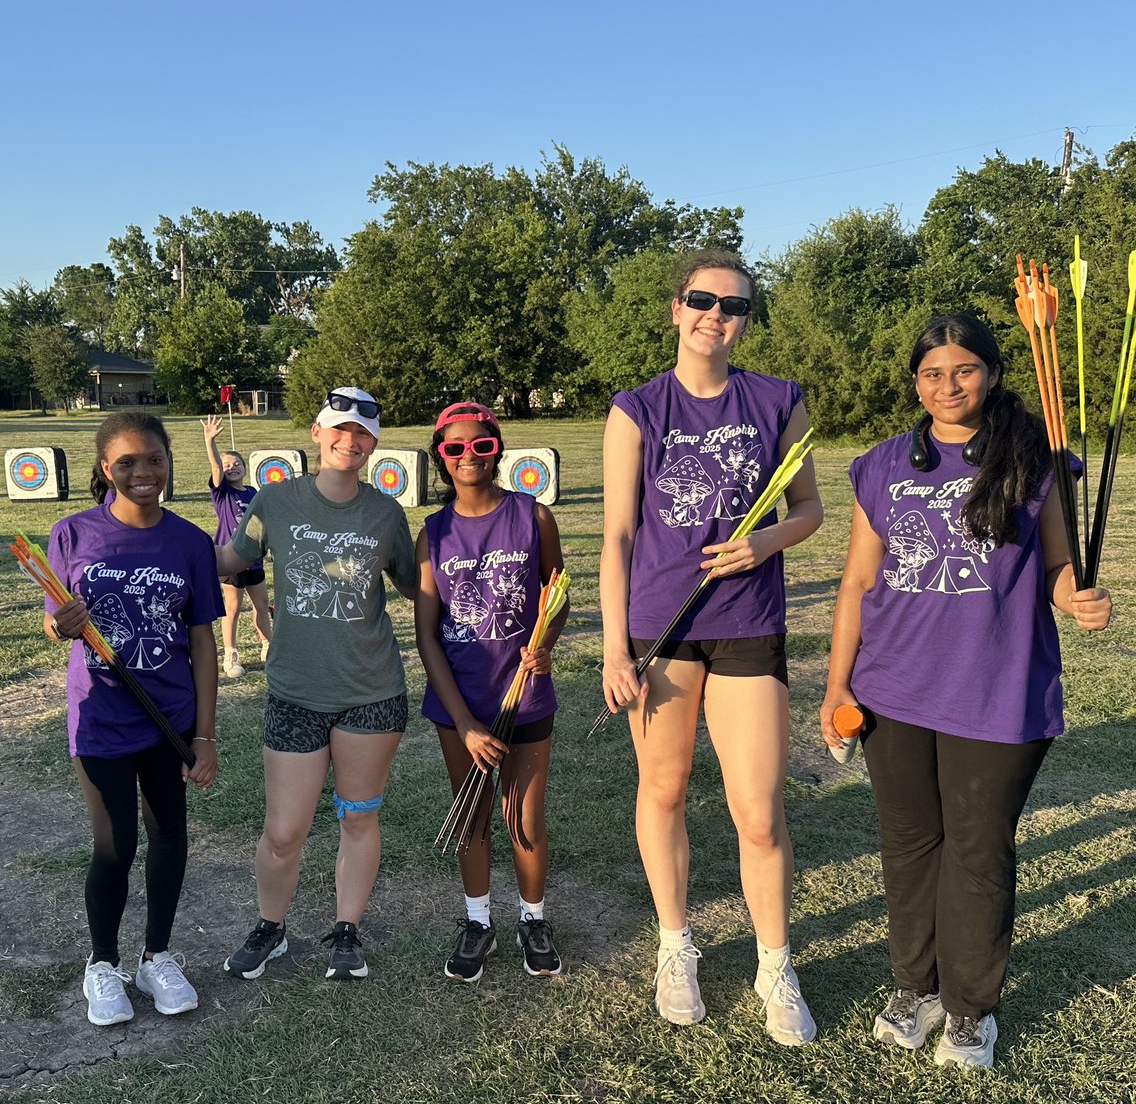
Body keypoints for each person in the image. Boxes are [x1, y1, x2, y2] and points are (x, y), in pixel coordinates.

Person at [819, 312, 1113, 1069]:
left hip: (996, 691)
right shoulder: (882, 465)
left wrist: (1076, 594)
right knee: (909, 847)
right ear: (915, 383)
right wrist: (836, 684)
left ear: (991, 372)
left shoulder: (1036, 460)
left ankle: (968, 1009)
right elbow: (857, 582)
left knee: (979, 852)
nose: (948, 386)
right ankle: (915, 988)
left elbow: (1056, 568)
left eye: (964, 370)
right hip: (892, 691)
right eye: (931, 374)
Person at [600, 249, 824, 1042]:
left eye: (734, 307)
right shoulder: (637, 407)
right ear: (676, 308)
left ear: (746, 321)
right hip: (661, 628)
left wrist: (763, 545)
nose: (716, 316)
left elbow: (809, 509)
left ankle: (775, 965)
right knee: (663, 790)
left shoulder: (776, 401)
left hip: (749, 623)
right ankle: (676, 947)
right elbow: (620, 533)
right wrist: (613, 649)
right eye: (703, 301)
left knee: (758, 812)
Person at [215, 387, 416, 982]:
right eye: (339, 429)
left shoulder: (386, 513)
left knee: (358, 818)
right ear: (316, 431)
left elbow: (414, 583)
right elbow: (232, 562)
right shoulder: (275, 501)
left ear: (375, 444)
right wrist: (163, 541)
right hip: (295, 692)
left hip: (371, 693)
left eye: (363, 434)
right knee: (284, 832)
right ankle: (271, 927)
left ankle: (347, 930)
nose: (349, 442)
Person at [44, 412, 223, 1026]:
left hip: (168, 719)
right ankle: (103, 964)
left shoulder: (191, 542)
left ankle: (157, 956)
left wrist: (204, 734)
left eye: (154, 459)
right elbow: (53, 617)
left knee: (170, 833)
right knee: (116, 844)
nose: (144, 472)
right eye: (127, 463)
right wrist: (60, 623)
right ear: (104, 469)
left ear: (170, 460)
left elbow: (202, 640)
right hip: (101, 721)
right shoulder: (70, 534)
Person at [415, 402, 569, 983]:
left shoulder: (535, 516)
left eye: (481, 445)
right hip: (462, 704)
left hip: (525, 695)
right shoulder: (433, 532)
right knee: (472, 816)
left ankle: (534, 918)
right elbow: (427, 635)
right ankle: (478, 920)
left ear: (497, 449)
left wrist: (546, 641)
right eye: (455, 449)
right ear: (441, 459)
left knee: (523, 818)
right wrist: (465, 722)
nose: (469, 456)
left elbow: (558, 597)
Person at [201, 414, 272, 677]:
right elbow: (217, 468)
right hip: (231, 558)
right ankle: (230, 656)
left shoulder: (253, 492)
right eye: (228, 464)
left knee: (262, 604)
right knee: (232, 608)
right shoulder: (222, 492)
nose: (232, 467)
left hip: (254, 559)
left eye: (237, 463)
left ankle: (268, 646)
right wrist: (210, 442)